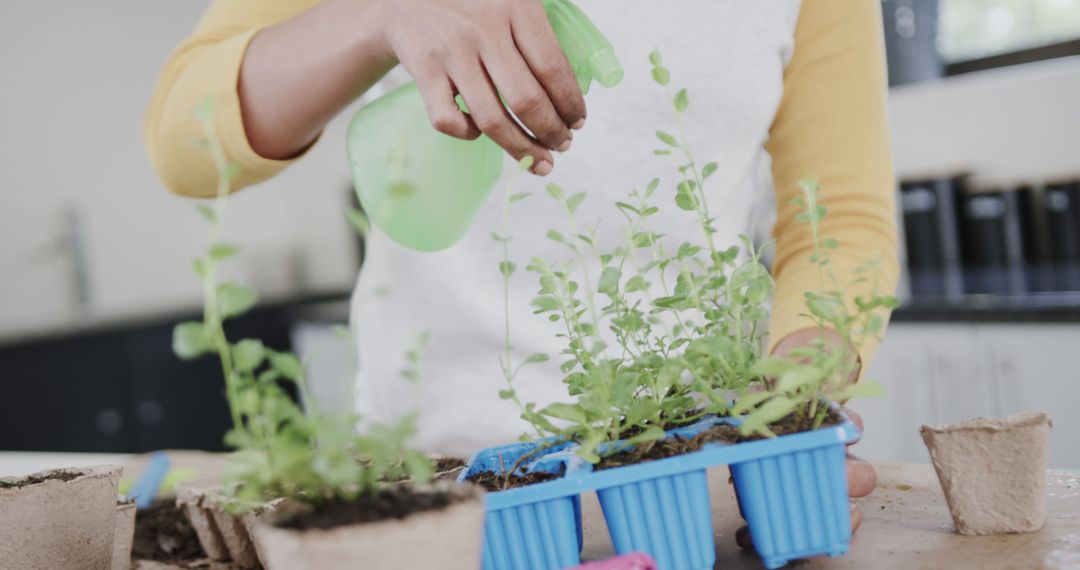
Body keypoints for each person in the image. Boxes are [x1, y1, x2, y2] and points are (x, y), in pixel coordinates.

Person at [145, 0, 898, 544]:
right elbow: (183, 135)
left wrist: (793, 401)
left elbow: (843, 215)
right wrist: (384, 14)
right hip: (430, 498)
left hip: (686, 492)